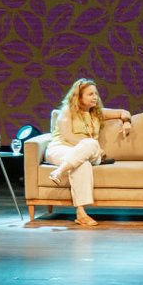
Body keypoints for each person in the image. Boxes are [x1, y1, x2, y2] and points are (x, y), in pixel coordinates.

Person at [45, 78, 132, 227]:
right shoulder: (67, 111)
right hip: (61, 149)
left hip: (90, 152)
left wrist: (127, 122)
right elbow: (69, 137)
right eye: (90, 94)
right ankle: (81, 213)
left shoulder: (97, 113)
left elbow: (124, 112)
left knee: (90, 144)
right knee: (82, 163)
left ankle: (60, 171)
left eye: (96, 94)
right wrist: (90, 146)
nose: (95, 97)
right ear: (78, 96)